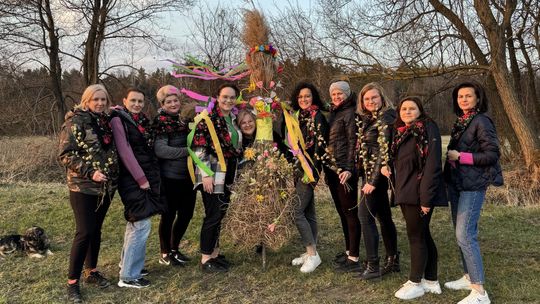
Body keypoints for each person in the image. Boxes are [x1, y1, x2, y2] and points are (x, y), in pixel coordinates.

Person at [58, 84, 118, 303]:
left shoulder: (106, 121)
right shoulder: (75, 122)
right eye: (96, 99)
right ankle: (72, 283)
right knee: (84, 231)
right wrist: (90, 172)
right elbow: (65, 155)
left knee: (96, 230)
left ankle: (91, 271)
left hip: (107, 187)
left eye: (103, 99)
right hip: (83, 186)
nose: (100, 103)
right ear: (86, 101)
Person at [443, 82, 503, 304]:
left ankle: (479, 293)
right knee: (461, 234)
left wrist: (461, 157)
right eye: (460, 96)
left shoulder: (481, 121)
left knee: (465, 235)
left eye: (469, 96)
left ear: (478, 98)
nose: (464, 99)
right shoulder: (462, 121)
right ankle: (468, 277)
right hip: (457, 184)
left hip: (473, 186)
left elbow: (492, 154)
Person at [382, 96, 447, 300]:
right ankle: (431, 280)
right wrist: (386, 166)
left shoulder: (427, 129)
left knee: (415, 236)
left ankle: (415, 282)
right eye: (403, 109)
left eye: (412, 108)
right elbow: (397, 158)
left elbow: (432, 166)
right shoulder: (401, 132)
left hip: (419, 194)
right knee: (423, 234)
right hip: (406, 191)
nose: (407, 112)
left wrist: (426, 199)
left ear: (420, 111)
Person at [110, 88, 166, 288]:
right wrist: (141, 178)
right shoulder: (118, 119)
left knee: (136, 222)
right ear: (124, 100)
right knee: (141, 223)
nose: (137, 104)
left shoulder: (138, 120)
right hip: (131, 178)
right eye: (133, 100)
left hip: (141, 175)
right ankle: (129, 276)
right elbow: (125, 152)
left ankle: (128, 265)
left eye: (140, 101)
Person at [191, 83, 242, 273]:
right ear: (217, 97)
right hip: (212, 172)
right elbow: (199, 147)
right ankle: (205, 258)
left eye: (232, 97)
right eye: (225, 96)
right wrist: (205, 175)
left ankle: (215, 254)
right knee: (212, 214)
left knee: (221, 213)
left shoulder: (233, 119)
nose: (228, 100)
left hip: (228, 171)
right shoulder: (208, 119)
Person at [355, 82, 399, 280]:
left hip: (376, 176)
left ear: (382, 98)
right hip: (371, 173)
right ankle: (393, 259)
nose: (370, 101)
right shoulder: (370, 119)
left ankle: (373, 266)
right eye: (366, 99)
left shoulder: (386, 118)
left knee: (365, 216)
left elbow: (384, 150)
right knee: (384, 217)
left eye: (374, 97)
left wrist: (372, 181)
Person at [285, 82, 329, 273]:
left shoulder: (317, 116)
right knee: (308, 211)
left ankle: (312, 255)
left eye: (307, 96)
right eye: (301, 96)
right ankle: (310, 251)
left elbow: (320, 147)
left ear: (314, 98)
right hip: (297, 168)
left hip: (309, 170)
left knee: (296, 211)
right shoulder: (296, 117)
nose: (304, 99)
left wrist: (313, 173)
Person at [154, 85, 196, 266]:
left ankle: (174, 248)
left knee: (186, 214)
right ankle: (164, 253)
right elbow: (161, 150)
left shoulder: (185, 120)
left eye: (175, 100)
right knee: (169, 215)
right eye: (168, 101)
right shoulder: (161, 122)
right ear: (162, 104)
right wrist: (188, 151)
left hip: (189, 177)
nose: (173, 104)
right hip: (170, 177)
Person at [323, 80, 362, 272]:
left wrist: (348, 168)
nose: (337, 97)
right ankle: (349, 250)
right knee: (342, 212)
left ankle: (354, 257)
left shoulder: (351, 113)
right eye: (334, 94)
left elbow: (353, 142)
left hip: (345, 171)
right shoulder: (335, 112)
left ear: (347, 94)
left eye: (340, 93)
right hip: (333, 169)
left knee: (350, 212)